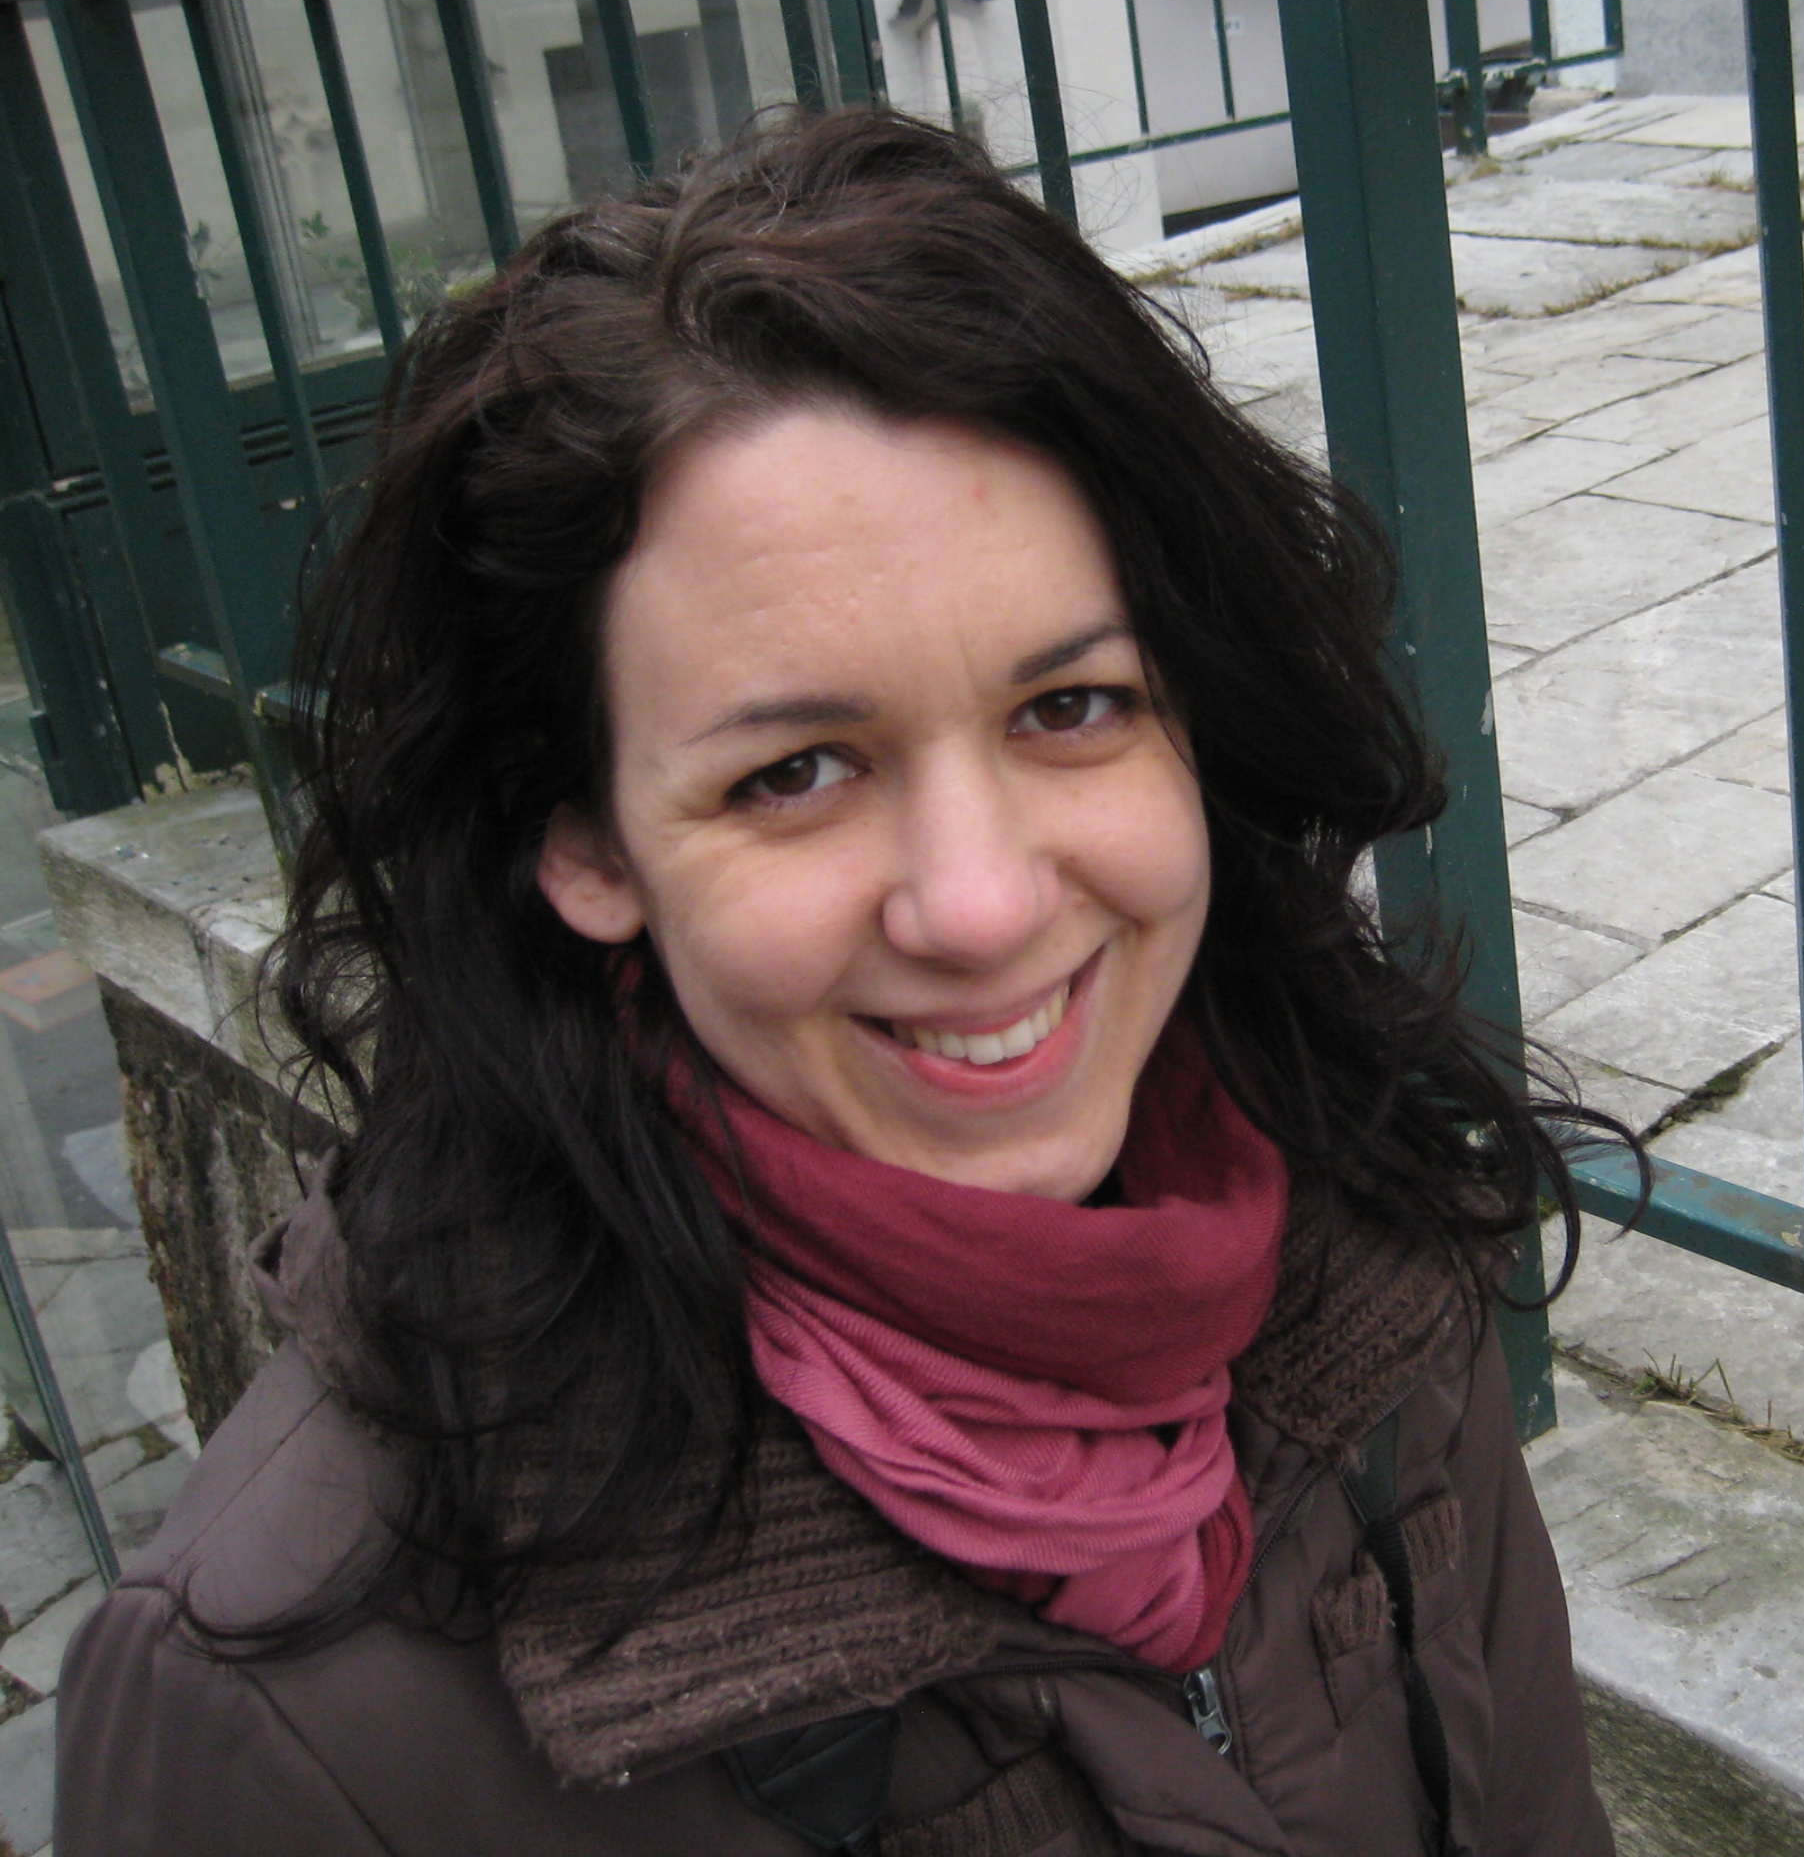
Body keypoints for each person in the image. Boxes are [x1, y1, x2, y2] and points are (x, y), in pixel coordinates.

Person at [54, 109, 1624, 1856]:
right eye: (795, 772)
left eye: (1071, 706)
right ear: (583, 844)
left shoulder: (1363, 1249)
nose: (980, 905)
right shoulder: (297, 1720)